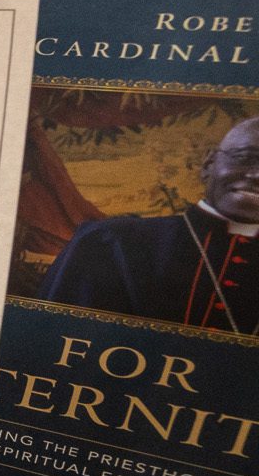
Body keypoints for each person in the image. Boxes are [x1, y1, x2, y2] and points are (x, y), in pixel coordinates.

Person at [39, 117, 259, 335]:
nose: (256, 175)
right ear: (208, 165)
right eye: (245, 158)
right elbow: (49, 339)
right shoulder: (108, 241)